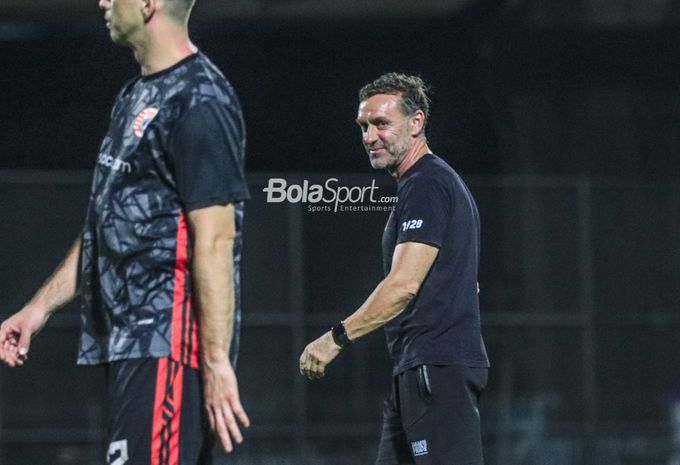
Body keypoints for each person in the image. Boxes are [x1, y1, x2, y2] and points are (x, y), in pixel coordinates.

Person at [0, 0, 250, 463]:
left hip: (168, 347)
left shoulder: (202, 100)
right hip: (128, 346)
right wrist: (38, 309)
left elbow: (216, 239)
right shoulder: (135, 96)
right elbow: (108, 225)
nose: (104, 2)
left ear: (149, 4)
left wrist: (216, 362)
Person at [299, 73, 490, 465]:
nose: (370, 136)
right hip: (419, 370)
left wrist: (334, 339)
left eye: (381, 124)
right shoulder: (424, 185)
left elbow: (402, 286)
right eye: (364, 126)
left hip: (436, 369)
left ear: (416, 123)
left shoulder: (427, 184)